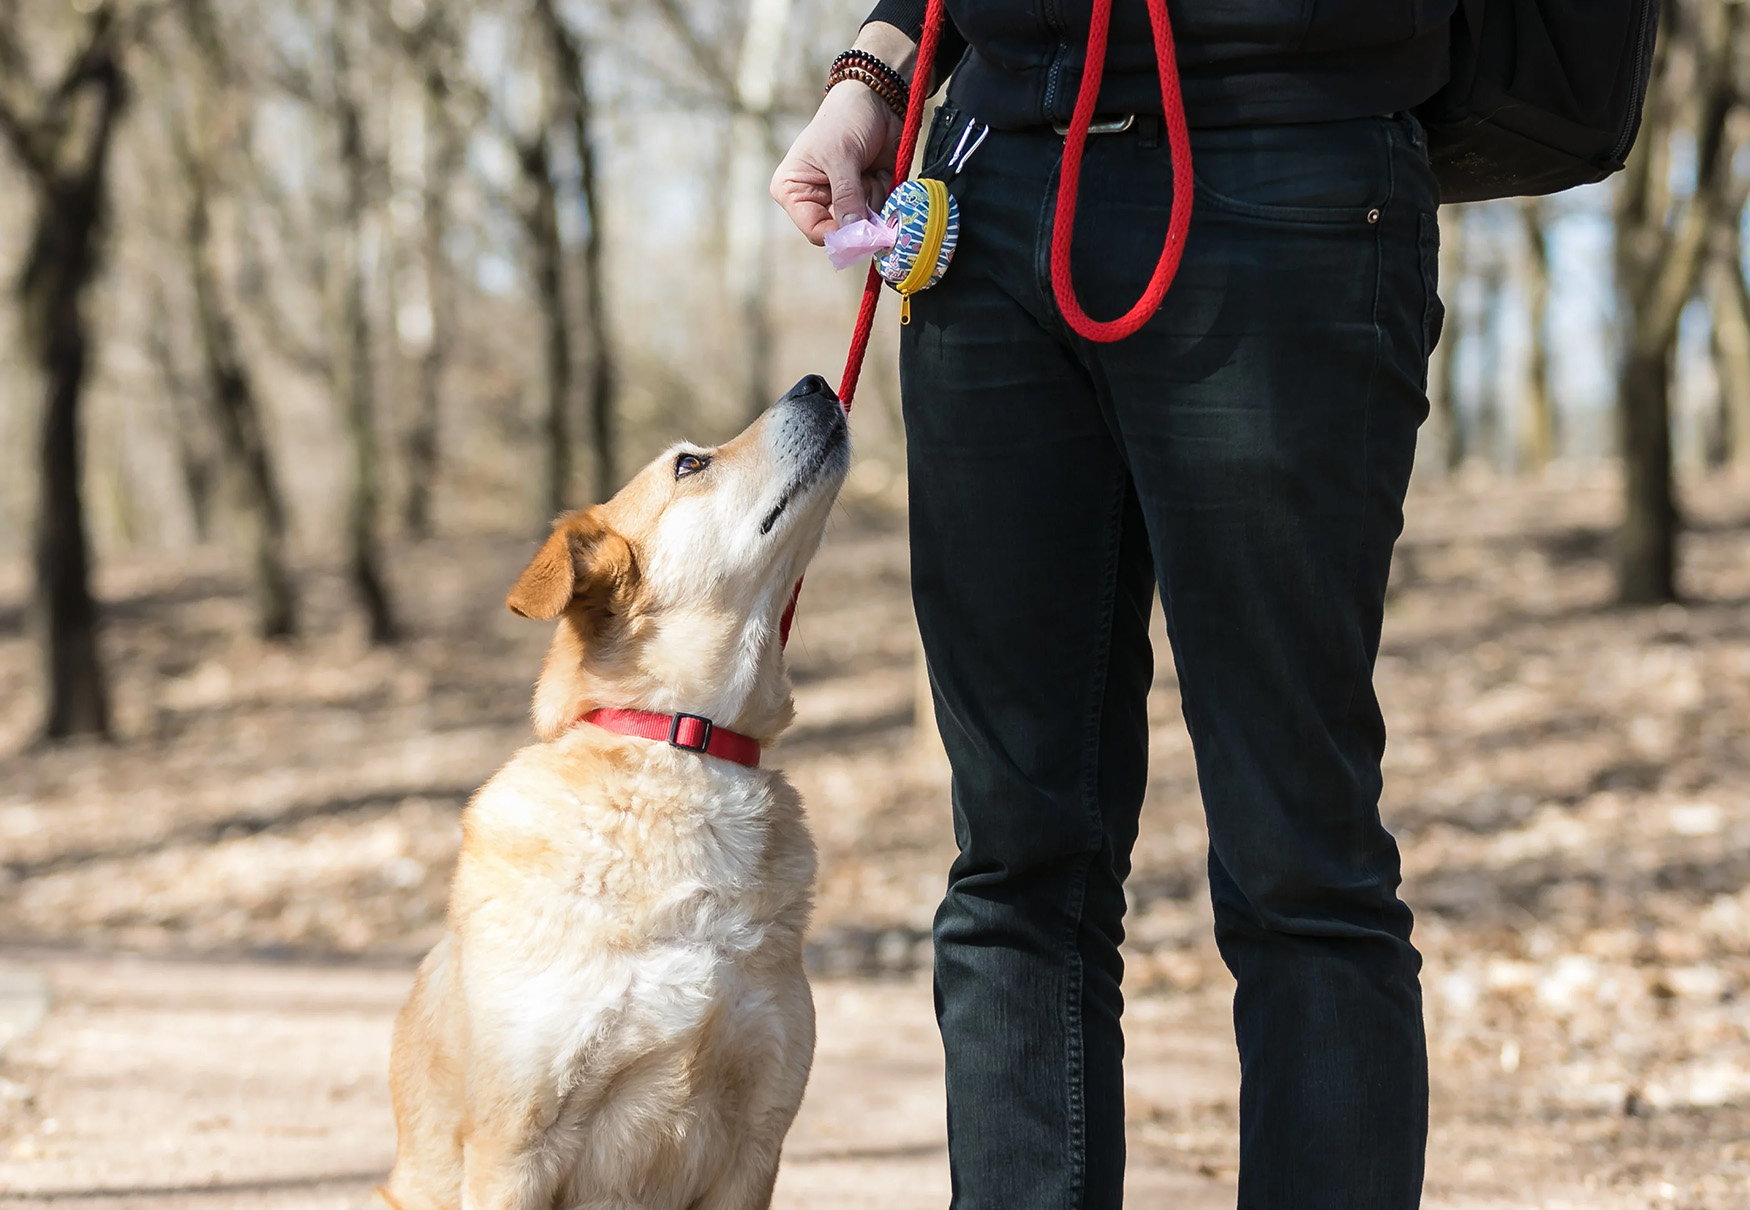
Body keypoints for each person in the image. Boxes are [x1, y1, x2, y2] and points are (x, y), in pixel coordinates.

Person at [772, 2, 1453, 1206]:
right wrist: (877, 71)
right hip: (994, 177)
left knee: (1300, 859)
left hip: (1283, 159)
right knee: (1016, 864)